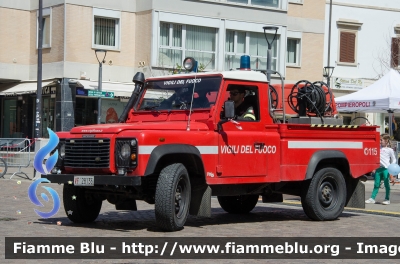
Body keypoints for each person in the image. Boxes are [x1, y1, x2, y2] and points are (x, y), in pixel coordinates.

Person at [365, 134, 397, 205]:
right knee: (376, 184)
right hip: (378, 169)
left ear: (386, 141)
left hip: (386, 169)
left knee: (386, 184)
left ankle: (387, 199)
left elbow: (394, 159)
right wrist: (373, 167)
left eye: (381, 140)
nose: (380, 141)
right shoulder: (377, 148)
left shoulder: (390, 150)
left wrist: (391, 168)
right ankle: (372, 198)